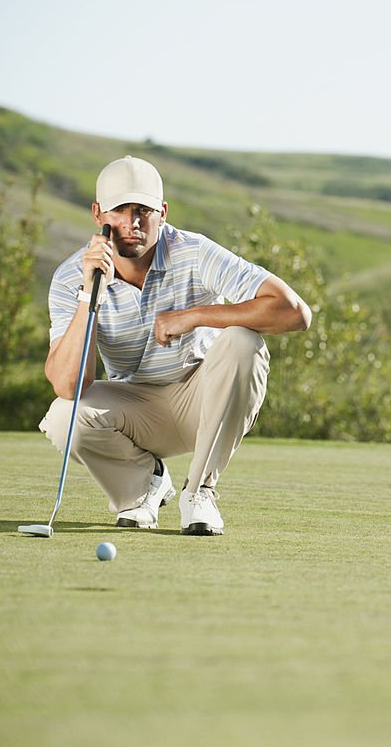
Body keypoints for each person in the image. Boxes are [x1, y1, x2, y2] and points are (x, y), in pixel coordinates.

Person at [39, 156, 311, 535]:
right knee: (62, 414)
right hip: (133, 412)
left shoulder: (194, 252)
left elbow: (294, 312)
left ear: (162, 213)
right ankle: (145, 485)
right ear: (98, 213)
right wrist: (90, 293)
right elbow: (69, 385)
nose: (132, 223)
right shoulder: (72, 277)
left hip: (201, 403)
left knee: (242, 341)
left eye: (143, 211)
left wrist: (194, 316)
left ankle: (199, 492)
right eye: (120, 211)